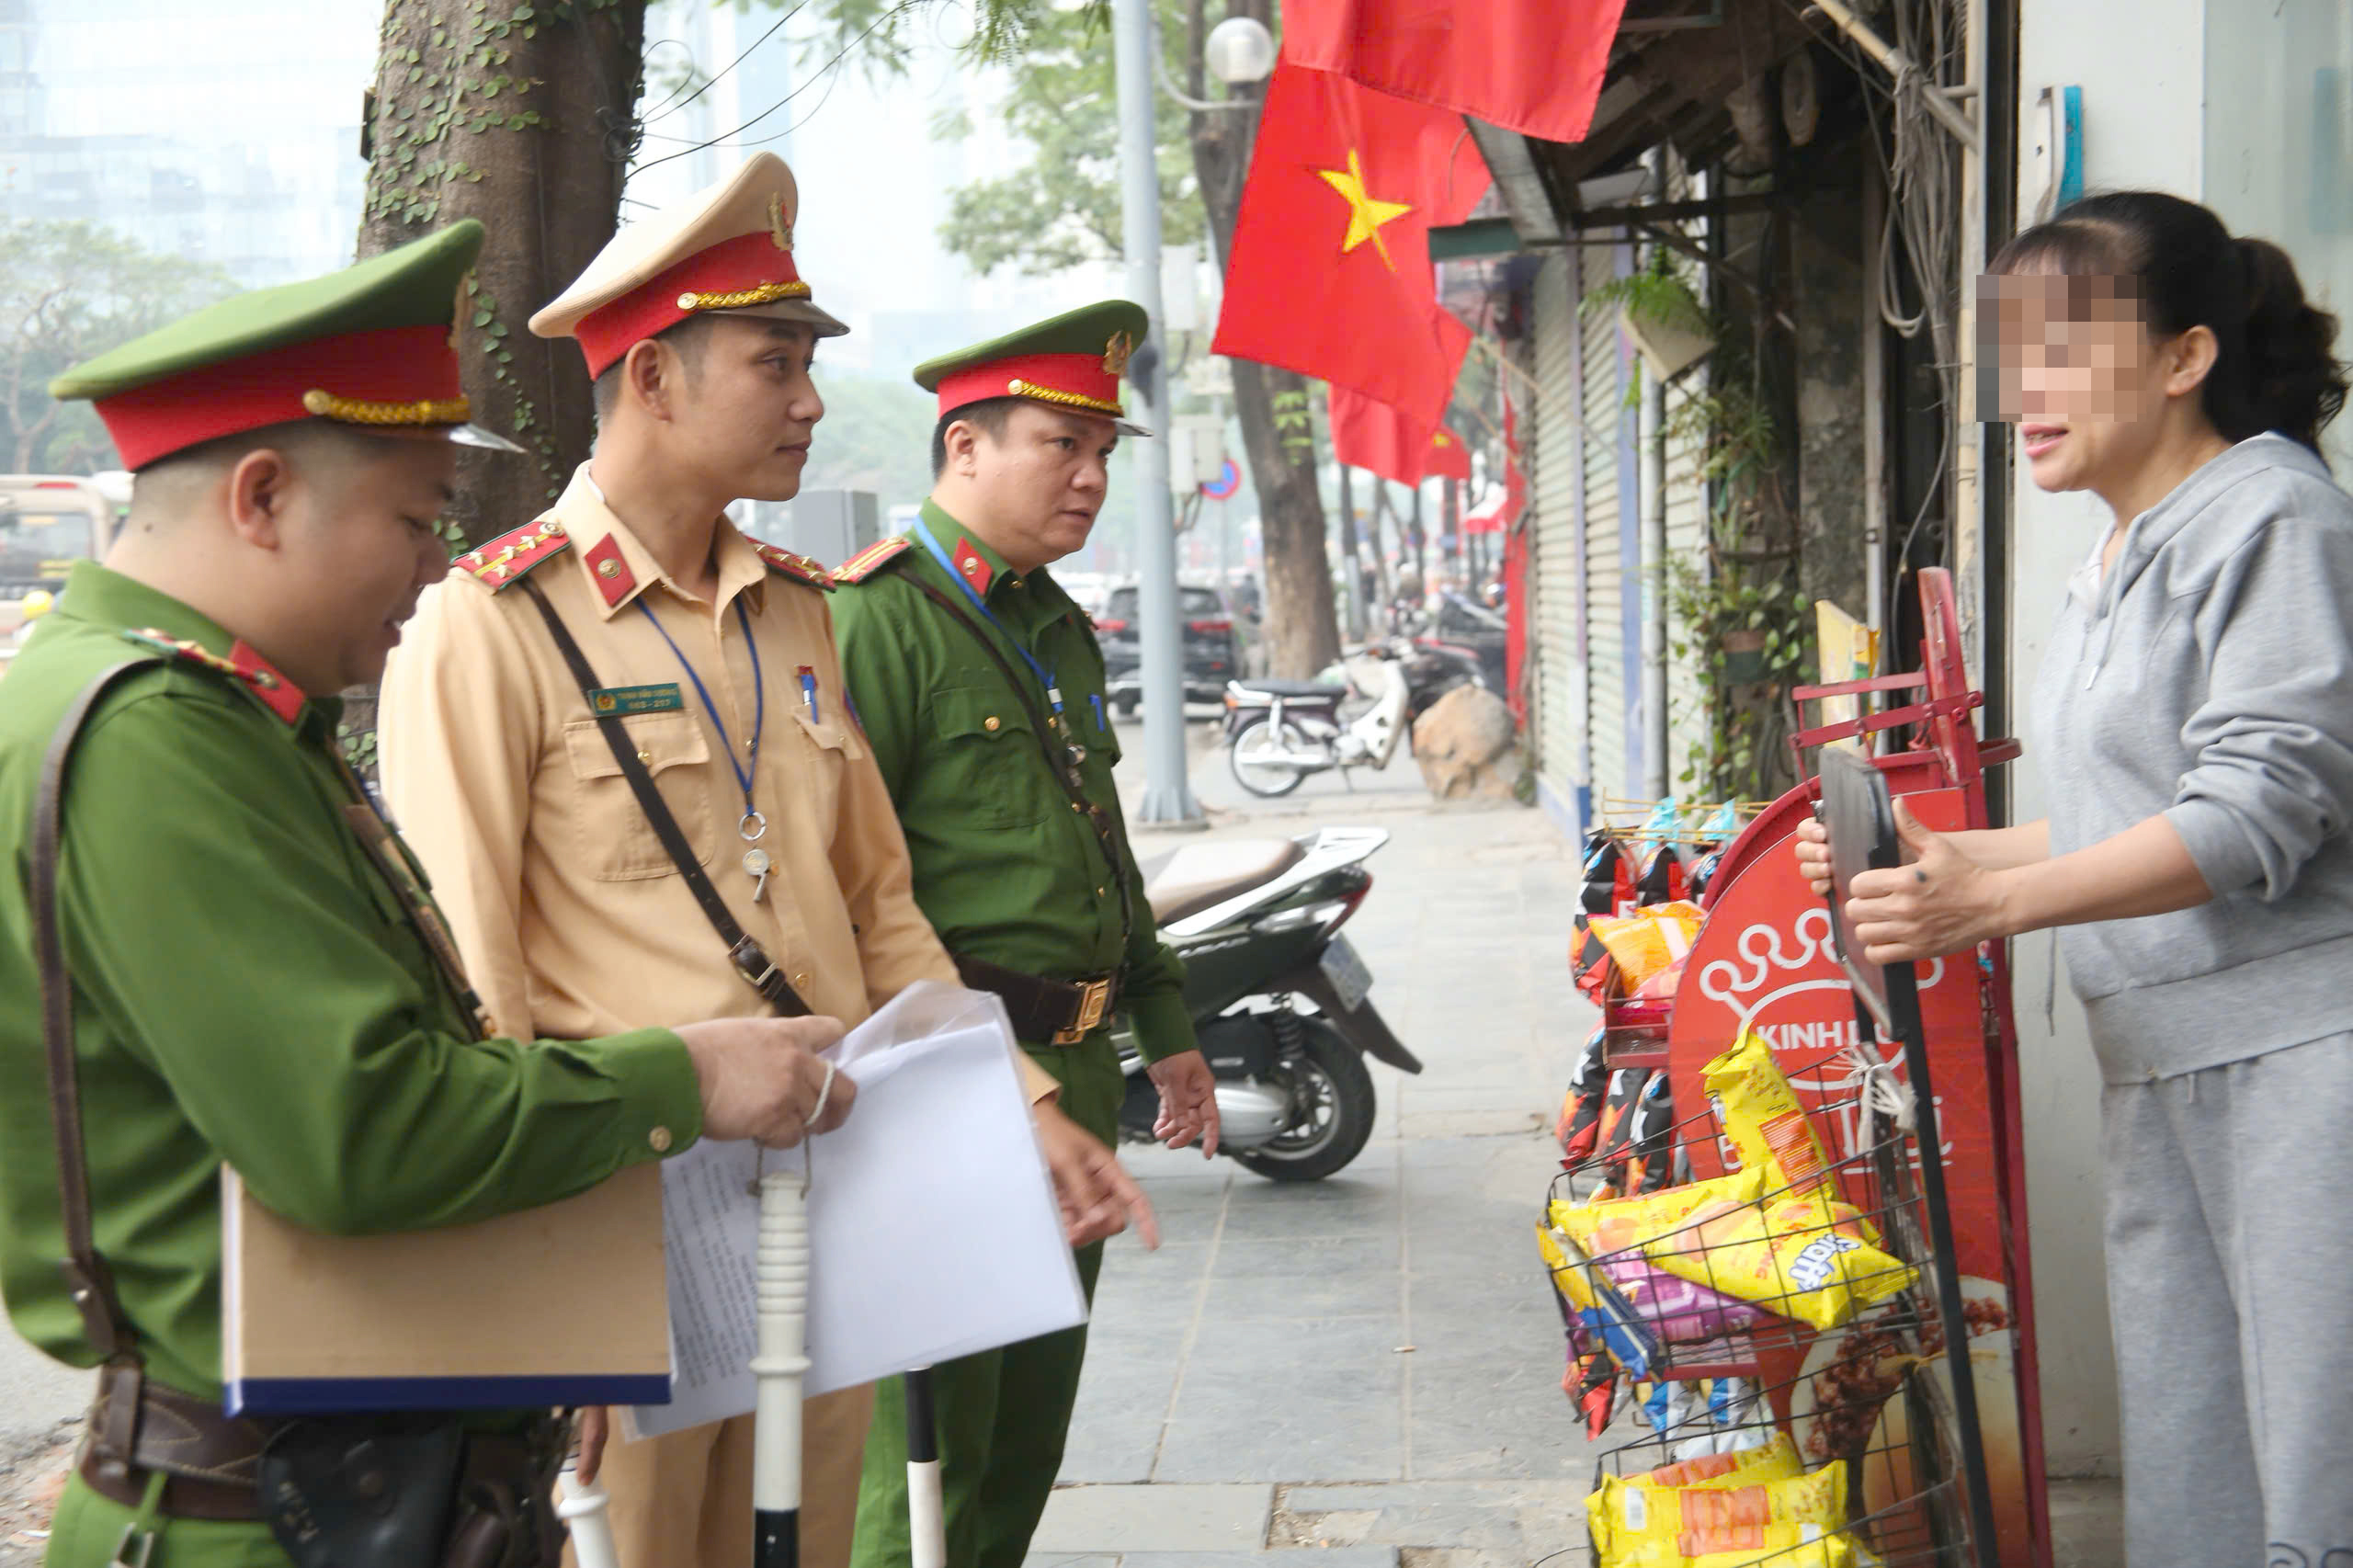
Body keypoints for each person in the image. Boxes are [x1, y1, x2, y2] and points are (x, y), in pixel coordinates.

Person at [0, 222, 854, 1568]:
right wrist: (685, 1077)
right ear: (262, 496)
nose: (426, 567)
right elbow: (363, 1123)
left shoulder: (207, 710)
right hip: (277, 1507)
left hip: (357, 1479)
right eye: (409, 521)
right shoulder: (150, 730)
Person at [376, 159, 1150, 1568]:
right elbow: (469, 982)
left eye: (808, 364)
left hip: (821, 1204)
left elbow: (880, 910)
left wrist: (1020, 1105)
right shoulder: (490, 629)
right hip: (629, 1217)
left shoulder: (794, 615)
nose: (808, 399)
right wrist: (528, 1300)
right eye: (776, 362)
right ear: (655, 376)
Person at [1796, 190, 2353, 1564]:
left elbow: (2257, 810)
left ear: (2185, 358)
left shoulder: (2273, 515)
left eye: (2062, 347)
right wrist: (1941, 857)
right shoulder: (2112, 551)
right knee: (2198, 1458)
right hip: (2160, 1057)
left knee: (2319, 1470)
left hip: (2299, 1068)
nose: (2021, 390)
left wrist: (1986, 904)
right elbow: (2130, 810)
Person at [830, 301, 1221, 1568]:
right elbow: (847, 890)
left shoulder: (1054, 622)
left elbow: (1099, 842)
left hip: (1080, 1069)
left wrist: (1164, 1025)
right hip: (945, 1078)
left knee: (1023, 1445)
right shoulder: (873, 621)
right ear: (964, 452)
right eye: (1062, 443)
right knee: (929, 1459)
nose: (1093, 476)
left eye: (1105, 450)